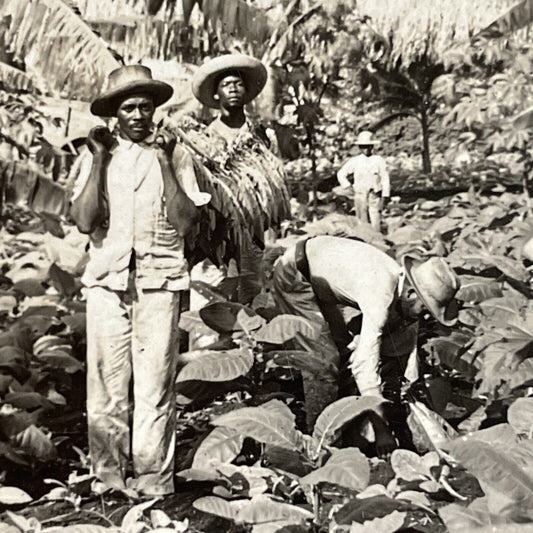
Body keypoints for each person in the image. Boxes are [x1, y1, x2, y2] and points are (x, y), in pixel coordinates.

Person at [69, 65, 209, 495]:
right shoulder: (97, 156)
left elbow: (187, 223)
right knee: (106, 391)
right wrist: (97, 159)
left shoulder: (176, 154)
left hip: (159, 284)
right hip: (107, 286)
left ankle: (153, 482)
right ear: (114, 112)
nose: (138, 115)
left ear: (155, 110)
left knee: (154, 389)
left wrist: (166, 160)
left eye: (145, 107)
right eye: (128, 107)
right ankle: (108, 479)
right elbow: (83, 220)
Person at [272, 235, 460, 456]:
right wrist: (382, 432)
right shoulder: (379, 294)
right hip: (296, 275)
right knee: (323, 363)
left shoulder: (405, 293)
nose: (426, 315)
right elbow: (365, 370)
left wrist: (417, 405)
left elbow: (406, 357)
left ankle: (349, 415)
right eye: (426, 308)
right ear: (410, 294)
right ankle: (319, 443)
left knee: (344, 349)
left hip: (323, 274)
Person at [337, 131, 390, 231]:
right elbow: (341, 173)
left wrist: (385, 195)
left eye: (368, 146)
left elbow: (385, 178)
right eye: (363, 146)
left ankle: (377, 239)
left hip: (374, 194)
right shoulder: (355, 161)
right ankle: (364, 241)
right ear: (360, 147)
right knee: (362, 221)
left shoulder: (378, 160)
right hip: (360, 194)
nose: (366, 149)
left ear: (372, 147)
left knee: (375, 220)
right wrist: (348, 186)